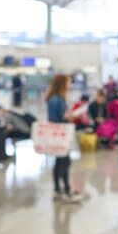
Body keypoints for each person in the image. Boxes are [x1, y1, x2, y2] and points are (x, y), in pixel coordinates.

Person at [46, 74, 80, 202]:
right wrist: (68, 117)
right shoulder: (55, 99)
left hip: (61, 135)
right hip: (59, 135)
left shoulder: (58, 98)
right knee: (64, 162)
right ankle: (65, 190)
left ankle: (59, 189)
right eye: (68, 83)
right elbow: (55, 118)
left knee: (60, 162)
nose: (69, 85)